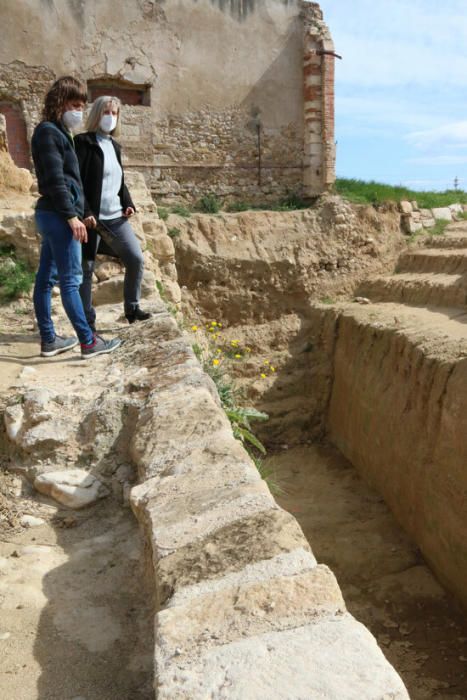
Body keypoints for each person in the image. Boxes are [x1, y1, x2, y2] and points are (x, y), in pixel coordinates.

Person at [31, 76, 121, 359]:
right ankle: (88, 342)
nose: (79, 111)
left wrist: (84, 212)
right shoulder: (49, 133)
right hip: (58, 217)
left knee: (46, 279)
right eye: (74, 104)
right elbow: (57, 181)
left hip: (54, 215)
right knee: (71, 280)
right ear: (59, 103)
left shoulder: (57, 132)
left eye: (82, 105)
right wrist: (72, 217)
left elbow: (71, 182)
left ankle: (49, 340)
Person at [74, 95, 150, 329]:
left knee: (136, 259)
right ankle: (88, 320)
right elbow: (76, 182)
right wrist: (85, 211)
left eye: (115, 113)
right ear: (97, 114)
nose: (111, 117)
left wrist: (128, 202)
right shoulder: (83, 142)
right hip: (91, 219)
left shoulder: (114, 146)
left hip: (115, 218)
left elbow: (119, 180)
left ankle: (132, 309)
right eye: (106, 112)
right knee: (86, 269)